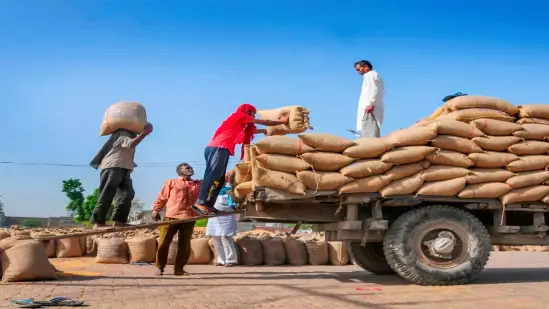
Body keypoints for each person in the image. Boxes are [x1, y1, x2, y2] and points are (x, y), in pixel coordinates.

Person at [192, 103, 288, 216]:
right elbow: (265, 122)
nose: (253, 116)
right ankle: (201, 202)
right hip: (218, 148)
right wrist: (282, 121)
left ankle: (209, 205)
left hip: (223, 149)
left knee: (220, 179)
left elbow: (251, 131)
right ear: (248, 112)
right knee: (213, 175)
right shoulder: (239, 115)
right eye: (253, 113)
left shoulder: (241, 123)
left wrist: (262, 131)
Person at [89, 124, 153, 229]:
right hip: (113, 166)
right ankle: (97, 221)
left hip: (124, 168)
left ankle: (119, 221)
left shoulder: (131, 134)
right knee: (107, 192)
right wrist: (145, 133)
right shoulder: (123, 132)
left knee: (127, 194)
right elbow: (130, 144)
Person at [151, 163, 201, 276]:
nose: (190, 169)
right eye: (187, 168)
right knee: (164, 242)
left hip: (189, 217)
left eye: (191, 168)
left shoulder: (198, 184)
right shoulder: (172, 182)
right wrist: (156, 209)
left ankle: (179, 269)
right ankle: (160, 267)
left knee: (185, 244)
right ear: (180, 171)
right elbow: (162, 197)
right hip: (172, 216)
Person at [206, 172, 239, 267]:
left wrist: (234, 205)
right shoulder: (211, 192)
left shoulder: (230, 191)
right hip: (214, 218)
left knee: (226, 238)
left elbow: (235, 202)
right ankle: (221, 260)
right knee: (216, 238)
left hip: (227, 217)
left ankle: (230, 260)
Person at [348, 60, 385, 138]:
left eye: (358, 69)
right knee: (371, 131)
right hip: (374, 108)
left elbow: (373, 89)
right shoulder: (375, 75)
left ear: (366, 67)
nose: (358, 72)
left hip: (370, 110)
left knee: (369, 132)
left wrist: (370, 104)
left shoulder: (369, 75)